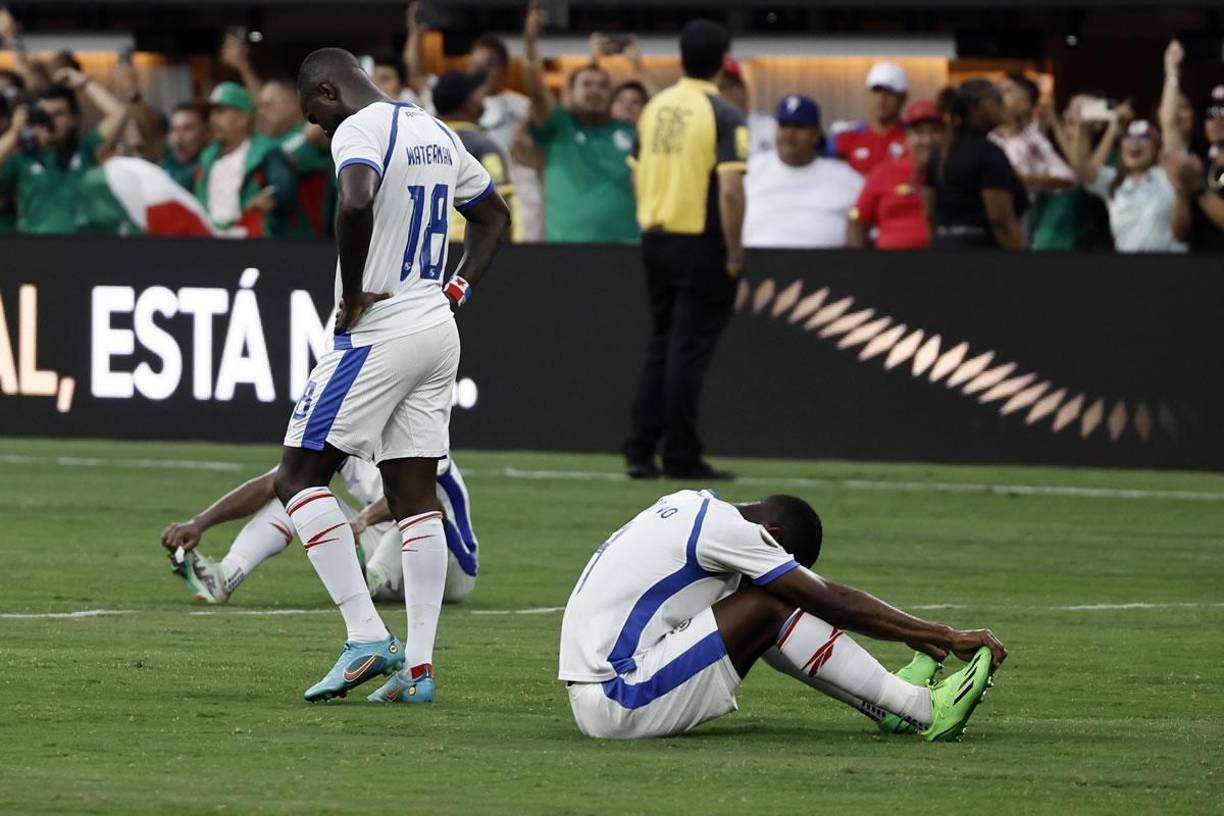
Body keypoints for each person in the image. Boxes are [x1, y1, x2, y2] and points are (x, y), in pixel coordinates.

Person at [280, 47, 509, 704]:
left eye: (314, 118)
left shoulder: (359, 129)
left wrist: (350, 297)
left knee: (297, 477)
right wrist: (457, 291)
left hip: (381, 327)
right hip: (437, 326)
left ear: (327, 91)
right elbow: (494, 217)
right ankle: (419, 667)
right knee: (414, 497)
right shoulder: (437, 131)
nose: (320, 131)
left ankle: (365, 636)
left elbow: (355, 202)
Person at [559, 489, 1007, 740]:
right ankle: (923, 710)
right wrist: (943, 634)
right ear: (772, 535)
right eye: (785, 561)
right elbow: (830, 600)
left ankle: (889, 706)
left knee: (769, 605)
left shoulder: (694, 508)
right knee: (772, 603)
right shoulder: (731, 532)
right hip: (618, 698)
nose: (781, 571)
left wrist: (906, 630)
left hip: (602, 691)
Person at [624, 18, 747, 481]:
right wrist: (734, 252)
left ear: (681, 57)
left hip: (655, 236)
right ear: (722, 61)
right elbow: (731, 188)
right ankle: (680, 454)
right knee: (688, 350)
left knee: (661, 343)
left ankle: (640, 448)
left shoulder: (654, 109)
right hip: (701, 240)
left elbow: (636, 173)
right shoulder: (724, 114)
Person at [161, 456, 478, 606]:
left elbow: (424, 500)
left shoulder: (415, 428)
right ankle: (224, 577)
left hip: (450, 563)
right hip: (384, 542)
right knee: (294, 496)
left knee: (416, 517)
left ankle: (371, 577)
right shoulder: (345, 433)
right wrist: (199, 523)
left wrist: (363, 520)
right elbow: (270, 485)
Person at [521, 6, 637, 243]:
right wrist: (530, 43)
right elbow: (537, 92)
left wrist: (639, 66)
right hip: (566, 247)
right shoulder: (559, 126)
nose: (595, 91)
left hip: (626, 247)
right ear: (570, 94)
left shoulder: (628, 131)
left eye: (603, 86)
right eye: (587, 85)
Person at [0, 70, 127, 234]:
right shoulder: (21, 158)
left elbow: (118, 113)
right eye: (43, 114)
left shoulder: (85, 150)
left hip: (78, 246)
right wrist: (14, 132)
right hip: (32, 247)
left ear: (73, 118)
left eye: (58, 114)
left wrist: (84, 82)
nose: (49, 121)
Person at [744, 94, 864, 248]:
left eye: (799, 127)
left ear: (816, 134)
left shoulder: (846, 177)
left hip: (826, 267)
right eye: (784, 125)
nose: (789, 135)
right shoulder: (750, 169)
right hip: (757, 266)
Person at [923, 80, 1027, 250]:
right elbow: (999, 219)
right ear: (977, 108)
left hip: (941, 247)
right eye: (997, 100)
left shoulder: (940, 152)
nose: (1004, 105)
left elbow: (929, 211)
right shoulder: (988, 153)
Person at [1072, 110, 1188, 253]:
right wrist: (1082, 129)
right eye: (1128, 136)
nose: (1134, 142)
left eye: (1144, 136)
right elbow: (1082, 168)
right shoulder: (1113, 181)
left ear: (1157, 147)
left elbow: (1169, 121)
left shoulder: (1168, 174)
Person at [193, 81, 298, 237]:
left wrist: (271, 196)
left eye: (220, 112)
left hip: (251, 242)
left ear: (242, 117)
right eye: (212, 113)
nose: (213, 120)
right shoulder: (206, 156)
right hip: (209, 240)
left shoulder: (266, 152)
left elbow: (284, 186)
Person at [847, 100, 945, 250]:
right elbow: (857, 219)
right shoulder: (884, 171)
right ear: (907, 137)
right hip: (889, 264)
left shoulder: (956, 171)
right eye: (919, 132)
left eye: (935, 131)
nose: (927, 140)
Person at [431, 70, 515, 242]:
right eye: (477, 92)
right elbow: (501, 208)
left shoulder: (421, 140)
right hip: (469, 247)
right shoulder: (486, 147)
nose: (482, 96)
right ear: (468, 101)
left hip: (425, 247)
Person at [1160, 42, 1224, 251]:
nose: (1217, 120)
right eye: (1211, 114)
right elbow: (1179, 234)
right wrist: (1171, 70)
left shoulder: (1200, 175)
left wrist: (1199, 189)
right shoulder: (1201, 161)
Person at [829, 61, 909, 176]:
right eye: (876, 91)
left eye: (890, 92)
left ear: (903, 98)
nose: (882, 99)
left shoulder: (913, 139)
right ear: (867, 94)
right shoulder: (844, 136)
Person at [162, 102, 209, 191]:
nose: (178, 139)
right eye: (174, 129)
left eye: (187, 129)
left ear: (205, 133)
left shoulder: (212, 167)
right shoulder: (166, 161)